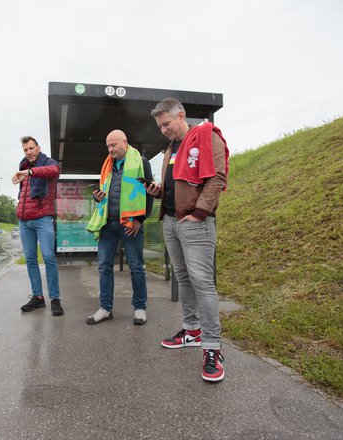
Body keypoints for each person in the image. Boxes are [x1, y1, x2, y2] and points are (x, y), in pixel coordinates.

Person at [146, 98, 229, 382]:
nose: (164, 130)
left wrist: (201, 211)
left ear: (181, 115)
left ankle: (212, 347)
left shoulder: (205, 134)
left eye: (166, 124)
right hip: (170, 220)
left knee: (202, 282)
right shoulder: (171, 148)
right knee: (182, 278)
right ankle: (192, 331)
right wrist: (159, 190)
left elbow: (217, 177)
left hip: (195, 222)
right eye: (160, 127)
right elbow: (177, 185)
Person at [86, 129, 153, 325]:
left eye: (114, 145)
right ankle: (105, 308)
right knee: (104, 266)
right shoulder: (107, 165)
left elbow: (149, 192)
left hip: (131, 223)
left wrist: (141, 219)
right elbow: (104, 193)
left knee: (136, 266)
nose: (110, 149)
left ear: (125, 142)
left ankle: (140, 308)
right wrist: (96, 197)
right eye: (108, 146)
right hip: (107, 223)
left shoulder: (141, 162)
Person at [12, 136, 63, 316]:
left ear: (38, 148)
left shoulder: (48, 163)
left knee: (49, 257)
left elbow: (54, 171)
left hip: (42, 217)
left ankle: (55, 299)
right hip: (24, 220)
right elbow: (24, 192)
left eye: (31, 148)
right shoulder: (23, 165)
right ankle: (38, 298)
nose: (29, 152)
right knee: (31, 259)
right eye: (26, 150)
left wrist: (30, 173)